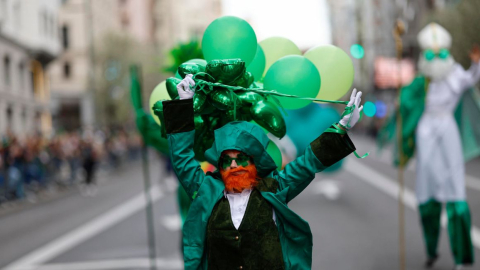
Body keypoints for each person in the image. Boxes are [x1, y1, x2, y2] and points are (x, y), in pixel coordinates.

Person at [157, 74, 363, 269]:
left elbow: (308, 163)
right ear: (220, 166)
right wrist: (183, 105)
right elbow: (182, 159)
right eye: (227, 161)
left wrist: (341, 127)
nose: (234, 165)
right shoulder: (206, 190)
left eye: (242, 159)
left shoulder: (275, 187)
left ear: (255, 163)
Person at [402, 23, 479, 269]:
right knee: (426, 190)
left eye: (440, 53)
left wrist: (477, 63)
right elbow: (404, 101)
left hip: (447, 128)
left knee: (456, 189)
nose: (435, 58)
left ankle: (463, 258)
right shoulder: (421, 79)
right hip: (426, 130)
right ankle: (431, 249)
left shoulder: (456, 72)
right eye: (430, 54)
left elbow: (470, 78)